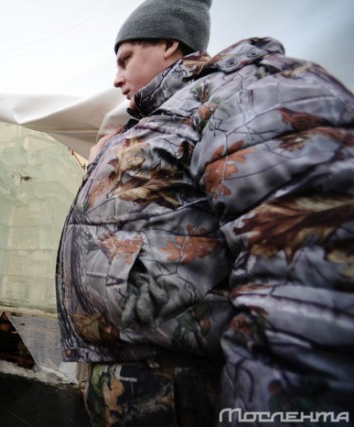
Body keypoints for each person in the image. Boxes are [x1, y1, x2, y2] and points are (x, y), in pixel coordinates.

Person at [55, 0, 354, 425]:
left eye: (125, 59)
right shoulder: (158, 121)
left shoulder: (245, 92)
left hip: (182, 384)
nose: (117, 78)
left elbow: (302, 279)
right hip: (133, 377)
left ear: (168, 43)